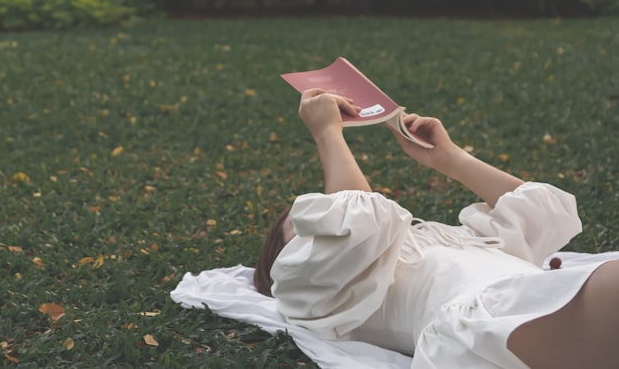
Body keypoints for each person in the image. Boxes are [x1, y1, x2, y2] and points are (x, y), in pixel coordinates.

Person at [253, 88, 619, 369]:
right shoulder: (309, 290)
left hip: (529, 300)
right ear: (286, 262)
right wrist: (327, 133)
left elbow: (541, 210)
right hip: (487, 326)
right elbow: (356, 217)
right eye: (308, 227)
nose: (328, 219)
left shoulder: (458, 241)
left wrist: (450, 158)